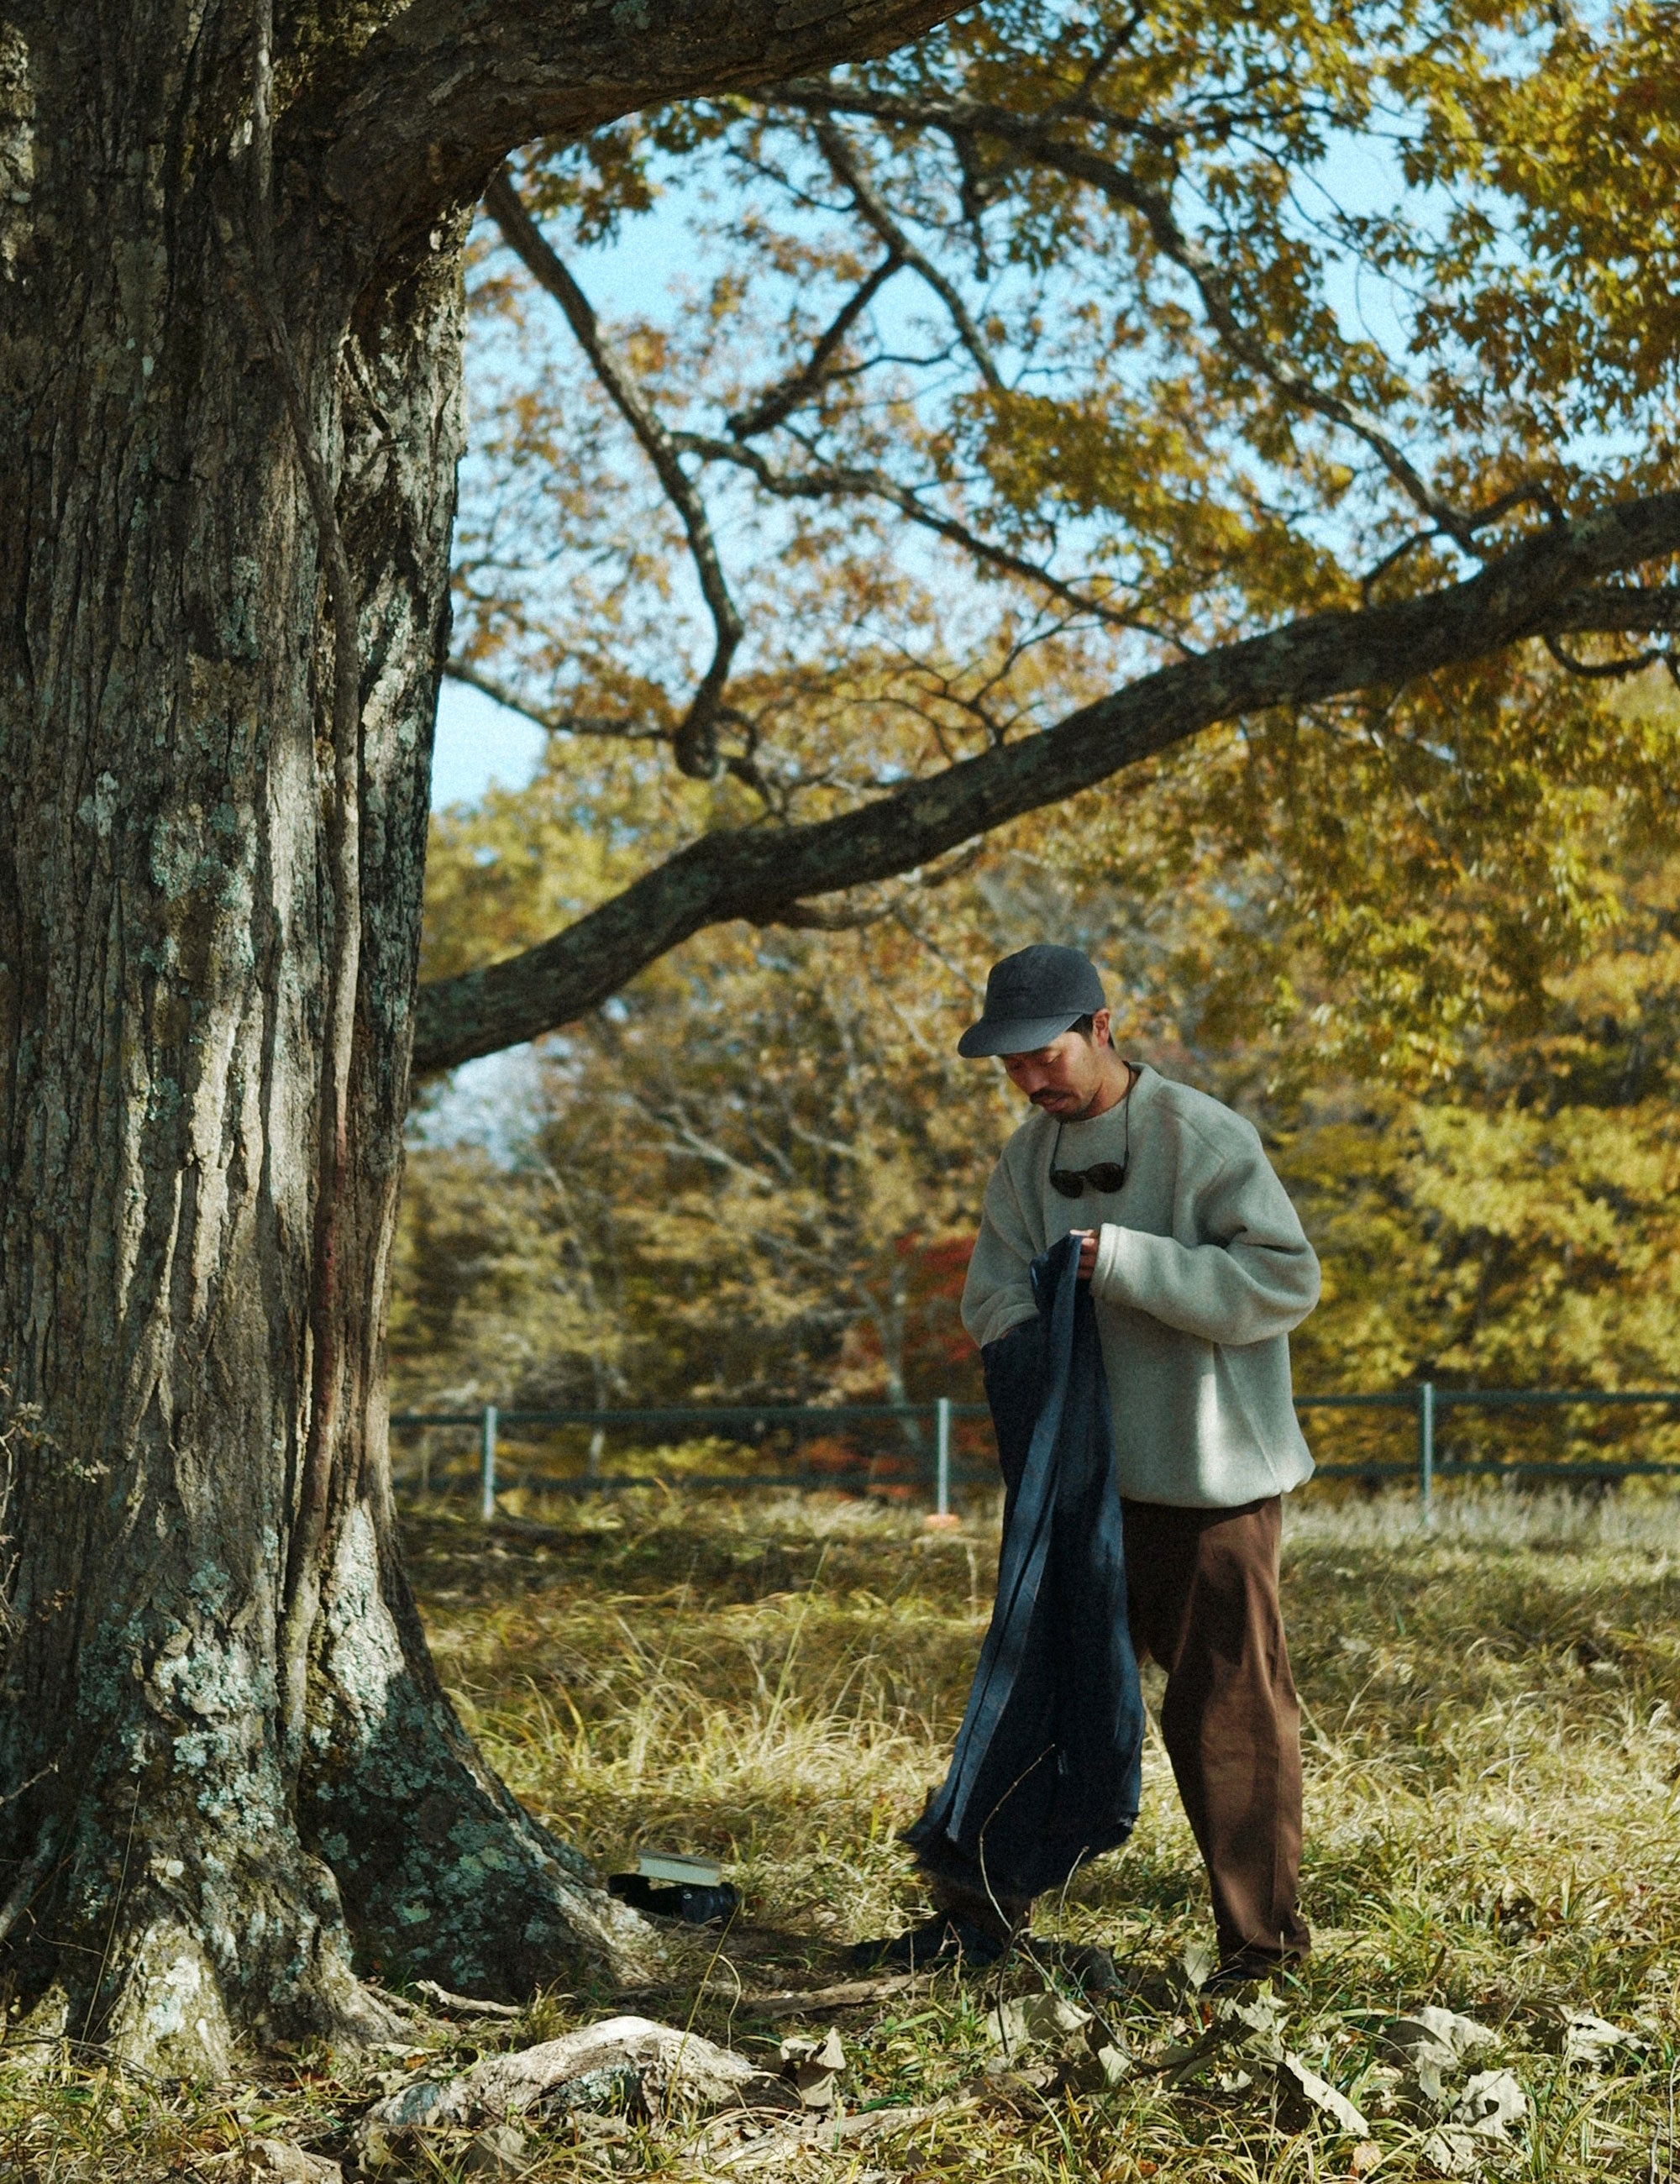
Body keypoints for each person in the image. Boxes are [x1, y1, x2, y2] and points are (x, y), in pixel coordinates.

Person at [953, 942, 1320, 1984]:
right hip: (1081, 1490)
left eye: (1045, 1054)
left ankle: (1259, 1952)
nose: (1030, 1078)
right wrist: (1039, 1324)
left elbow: (1283, 1280)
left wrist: (1124, 1262)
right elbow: (988, 1297)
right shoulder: (1024, 1160)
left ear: (1101, 1027)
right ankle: (981, 1923)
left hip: (1210, 1488)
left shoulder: (1201, 1135)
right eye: (1012, 1064)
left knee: (1229, 1722)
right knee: (1033, 1698)